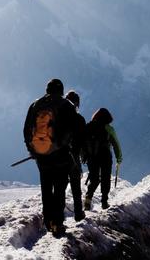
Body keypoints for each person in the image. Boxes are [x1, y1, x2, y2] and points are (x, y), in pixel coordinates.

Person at [23, 78, 76, 236]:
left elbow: (26, 129)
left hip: (41, 155)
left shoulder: (35, 105)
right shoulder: (67, 105)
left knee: (46, 188)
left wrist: (32, 149)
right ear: (61, 90)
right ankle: (58, 224)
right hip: (61, 155)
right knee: (59, 189)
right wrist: (62, 145)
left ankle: (48, 222)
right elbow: (73, 129)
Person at [83, 108, 123, 210]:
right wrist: (119, 158)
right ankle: (104, 202)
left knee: (94, 178)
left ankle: (88, 198)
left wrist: (83, 156)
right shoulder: (108, 128)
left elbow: (81, 143)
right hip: (105, 157)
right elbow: (116, 144)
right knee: (105, 178)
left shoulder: (88, 127)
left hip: (91, 157)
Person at [65, 90, 86, 221]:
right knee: (75, 186)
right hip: (74, 157)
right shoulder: (79, 119)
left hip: (57, 156)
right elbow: (83, 139)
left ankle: (56, 219)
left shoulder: (56, 118)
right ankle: (78, 213)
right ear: (77, 103)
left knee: (59, 186)